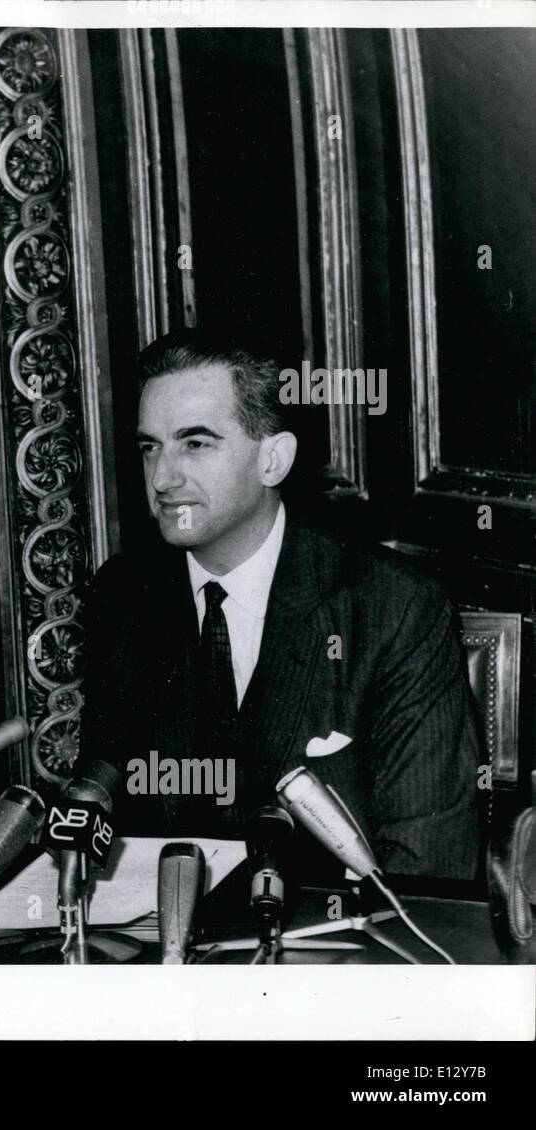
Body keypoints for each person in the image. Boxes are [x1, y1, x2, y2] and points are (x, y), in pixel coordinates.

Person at [79, 329, 481, 881]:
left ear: (273, 460)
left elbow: (430, 865)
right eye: (151, 446)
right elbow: (100, 806)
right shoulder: (121, 596)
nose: (163, 478)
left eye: (195, 443)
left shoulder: (392, 608)